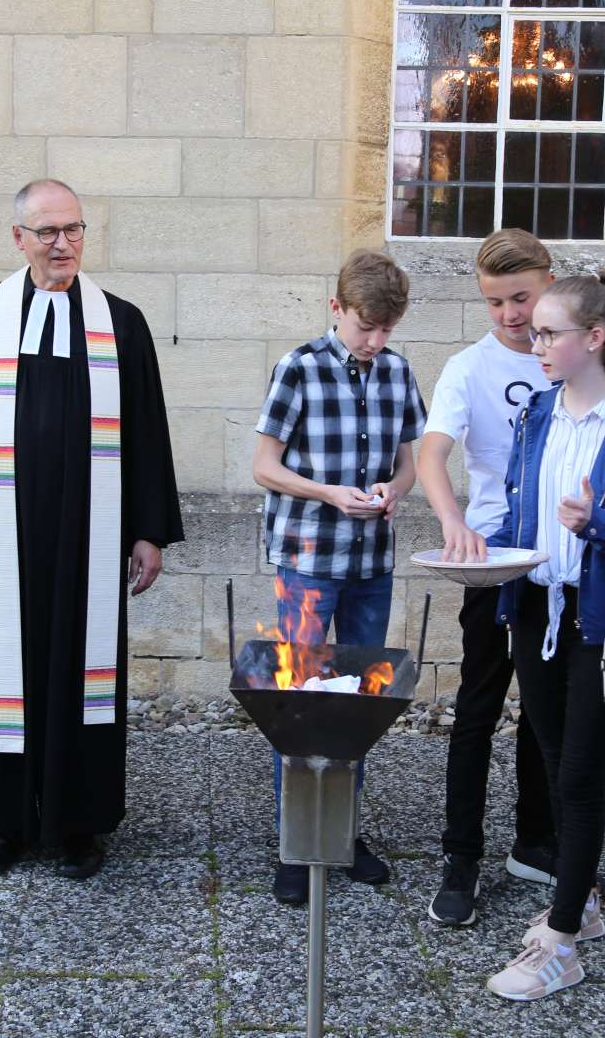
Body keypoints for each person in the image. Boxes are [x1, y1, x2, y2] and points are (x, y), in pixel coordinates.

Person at [0, 179, 184, 881]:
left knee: (84, 673)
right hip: (2, 535)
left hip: (90, 533)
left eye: (74, 230)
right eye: (48, 232)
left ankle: (80, 823)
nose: (63, 244)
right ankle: (5, 822)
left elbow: (146, 429)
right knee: (6, 669)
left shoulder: (121, 323)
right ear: (18, 238)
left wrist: (148, 529)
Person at [482, 272, 605, 1002]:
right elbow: (518, 513)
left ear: (592, 338)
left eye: (546, 333)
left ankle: (561, 939)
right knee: (552, 755)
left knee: (578, 775)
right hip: (534, 610)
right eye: (532, 332)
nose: (532, 343)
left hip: (598, 620)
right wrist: (482, 556)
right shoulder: (537, 413)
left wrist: (600, 523)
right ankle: (582, 901)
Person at [251, 249, 427, 906]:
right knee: (298, 704)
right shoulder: (297, 368)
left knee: (358, 706)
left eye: (386, 329)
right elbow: (264, 466)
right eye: (365, 327)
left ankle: (343, 836)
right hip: (307, 564)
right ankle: (297, 844)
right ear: (337, 309)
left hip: (370, 566)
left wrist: (392, 490)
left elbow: (410, 465)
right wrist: (328, 493)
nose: (376, 340)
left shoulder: (398, 371)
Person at [418, 229, 559, 926]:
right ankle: (461, 857)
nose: (509, 313)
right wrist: (454, 521)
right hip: (492, 559)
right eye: (495, 302)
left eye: (521, 298)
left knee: (545, 709)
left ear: (550, 284)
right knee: (477, 709)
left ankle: (536, 843)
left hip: (559, 561)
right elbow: (432, 455)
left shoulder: (573, 355)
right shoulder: (466, 368)